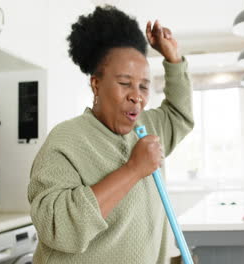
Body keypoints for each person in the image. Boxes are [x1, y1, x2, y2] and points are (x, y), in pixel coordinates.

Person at [27, 5, 193, 264]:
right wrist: (133, 169)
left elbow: (179, 115)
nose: (136, 95)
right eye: (125, 83)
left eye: (144, 86)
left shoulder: (147, 126)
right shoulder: (65, 140)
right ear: (96, 84)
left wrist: (173, 59)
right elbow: (58, 229)